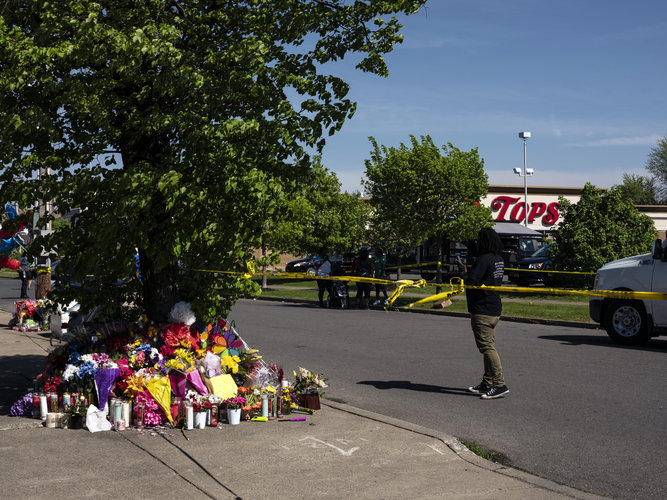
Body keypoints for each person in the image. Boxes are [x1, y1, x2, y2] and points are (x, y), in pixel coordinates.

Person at [458, 228, 509, 400]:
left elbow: (472, 280)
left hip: (482, 308)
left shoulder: (483, 259)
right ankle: (487, 382)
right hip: (494, 307)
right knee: (488, 345)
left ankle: (499, 384)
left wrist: (464, 272)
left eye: (479, 240)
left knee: (486, 347)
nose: (477, 243)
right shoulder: (498, 259)